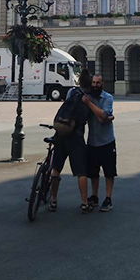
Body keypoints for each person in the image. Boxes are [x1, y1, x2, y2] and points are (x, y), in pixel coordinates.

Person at [49, 71, 104, 214]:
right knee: (81, 172)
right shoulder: (90, 98)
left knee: (56, 169)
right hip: (76, 137)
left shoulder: (71, 93)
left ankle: (53, 200)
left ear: (79, 83)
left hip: (61, 133)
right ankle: (84, 203)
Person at [86, 75, 117, 212]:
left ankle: (108, 198)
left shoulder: (107, 97)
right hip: (92, 141)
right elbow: (103, 117)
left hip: (107, 141)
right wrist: (105, 117)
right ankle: (94, 196)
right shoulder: (89, 96)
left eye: (98, 83)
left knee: (109, 171)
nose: (95, 85)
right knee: (93, 172)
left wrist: (89, 105)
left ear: (102, 84)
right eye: (93, 82)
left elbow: (104, 116)